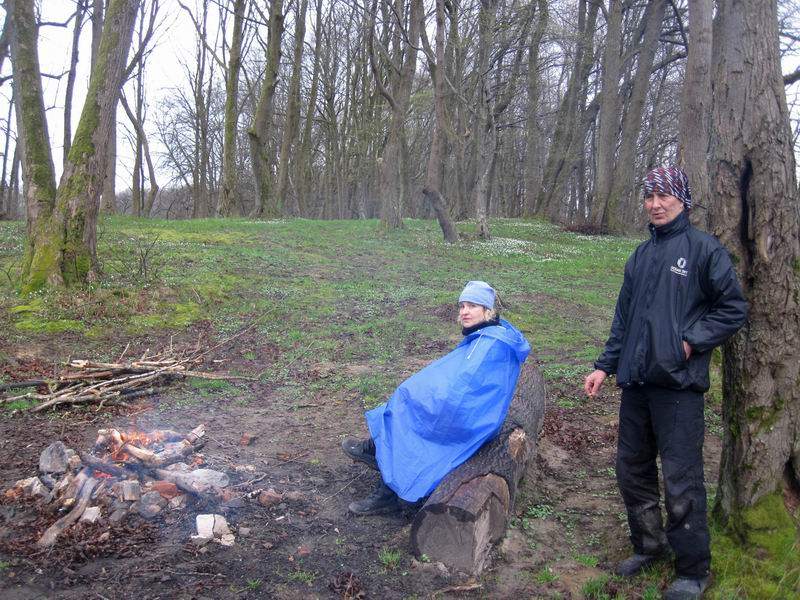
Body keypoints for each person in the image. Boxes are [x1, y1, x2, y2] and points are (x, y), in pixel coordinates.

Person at [584, 167, 747, 600]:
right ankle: (649, 545)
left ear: (682, 200)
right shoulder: (639, 256)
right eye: (649, 196)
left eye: (664, 196)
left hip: (679, 388)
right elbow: (623, 320)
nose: (656, 204)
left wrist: (692, 341)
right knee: (631, 470)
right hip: (636, 384)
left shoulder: (704, 250)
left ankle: (694, 569)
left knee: (681, 478)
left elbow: (732, 309)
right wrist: (604, 366)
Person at [341, 280, 530, 516]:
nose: (465, 312)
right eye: (462, 306)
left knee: (410, 412)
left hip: (469, 420)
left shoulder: (490, 344)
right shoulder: (491, 335)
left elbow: (464, 394)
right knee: (406, 399)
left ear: (487, 310)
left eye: (472, 305)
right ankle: (379, 448)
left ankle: (389, 492)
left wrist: (425, 400)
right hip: (469, 413)